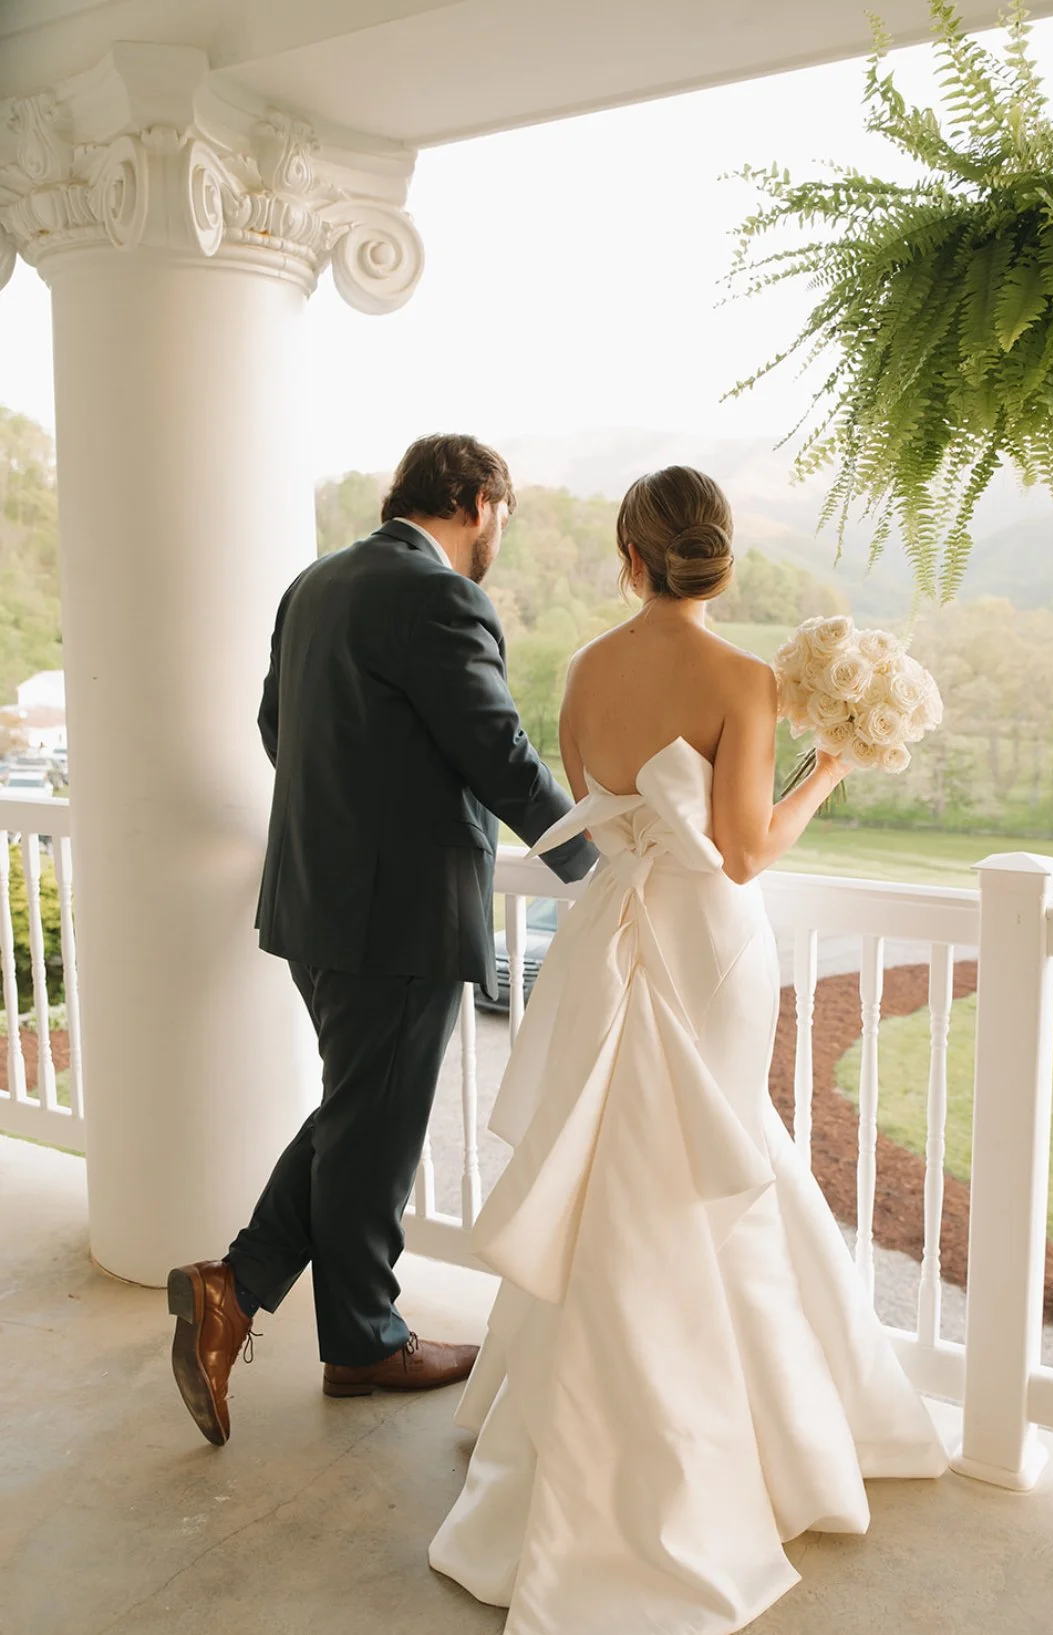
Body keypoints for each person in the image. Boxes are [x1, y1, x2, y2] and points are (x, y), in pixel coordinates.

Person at [429, 465, 948, 1634]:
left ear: (630, 555)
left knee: (624, 1151)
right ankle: (755, 1442)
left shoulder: (585, 671)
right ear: (718, 556)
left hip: (614, 921)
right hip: (711, 937)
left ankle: (586, 1420)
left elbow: (597, 803)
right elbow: (748, 852)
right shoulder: (744, 679)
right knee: (717, 1159)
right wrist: (831, 768)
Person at [166, 434, 598, 1447]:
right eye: (506, 515)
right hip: (395, 912)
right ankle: (358, 1336)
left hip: (311, 901)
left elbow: (281, 731)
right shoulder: (442, 596)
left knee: (358, 1115)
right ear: (482, 499)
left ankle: (237, 1289)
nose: (500, 536)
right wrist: (601, 865)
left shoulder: (313, 584)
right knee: (372, 1125)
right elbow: (498, 753)